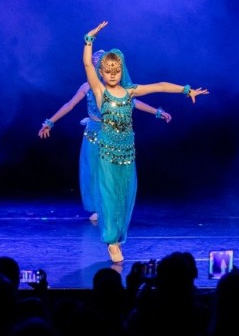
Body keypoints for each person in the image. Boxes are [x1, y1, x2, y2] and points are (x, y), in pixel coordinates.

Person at [82, 21, 208, 262]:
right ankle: (111, 241)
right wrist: (89, 39)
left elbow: (159, 86)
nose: (112, 74)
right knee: (109, 195)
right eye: (107, 71)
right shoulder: (99, 91)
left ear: (121, 70)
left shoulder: (130, 92)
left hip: (127, 152)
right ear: (102, 72)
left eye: (116, 71)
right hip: (107, 152)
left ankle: (118, 237)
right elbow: (87, 63)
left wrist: (186, 90)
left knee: (125, 195)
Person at [38, 49, 172, 222]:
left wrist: (157, 112)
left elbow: (134, 102)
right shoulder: (87, 87)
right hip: (93, 133)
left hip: (112, 133)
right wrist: (50, 121)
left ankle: (113, 207)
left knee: (112, 172)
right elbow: (69, 105)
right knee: (93, 171)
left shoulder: (117, 88)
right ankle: (98, 208)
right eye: (95, 63)